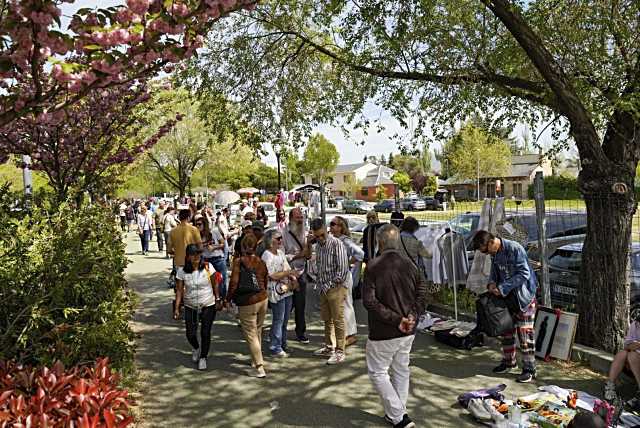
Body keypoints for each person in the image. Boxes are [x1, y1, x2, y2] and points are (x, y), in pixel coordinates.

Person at [363, 224, 426, 428]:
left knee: (378, 372)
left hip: (385, 331)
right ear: (397, 242)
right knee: (400, 369)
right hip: (407, 329)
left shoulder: (373, 266)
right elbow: (422, 292)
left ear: (379, 242)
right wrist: (411, 316)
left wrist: (400, 319)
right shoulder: (410, 264)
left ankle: (398, 415)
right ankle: (397, 413)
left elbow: (369, 301)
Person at [473, 230, 538, 383]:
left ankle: (530, 369)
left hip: (524, 298)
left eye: (485, 250)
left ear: (490, 243)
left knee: (524, 333)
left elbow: (524, 274)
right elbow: (494, 272)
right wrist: (492, 283)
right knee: (506, 330)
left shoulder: (514, 249)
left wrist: (502, 288)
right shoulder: (494, 254)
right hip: (507, 298)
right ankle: (509, 362)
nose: (486, 254)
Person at [226, 234, 269, 378]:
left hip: (247, 301)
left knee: (251, 335)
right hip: (262, 298)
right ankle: (255, 359)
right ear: (256, 247)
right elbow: (265, 279)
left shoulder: (239, 262)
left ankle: (259, 366)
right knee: (258, 331)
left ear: (243, 247)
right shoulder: (261, 261)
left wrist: (228, 299)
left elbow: (233, 283)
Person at [173, 244, 221, 371]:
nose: (197, 257)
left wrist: (217, 298)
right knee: (190, 333)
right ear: (188, 257)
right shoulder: (182, 271)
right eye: (194, 254)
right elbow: (179, 290)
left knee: (205, 332)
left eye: (199, 254)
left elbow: (215, 283)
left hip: (207, 304)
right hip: (191, 306)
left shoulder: (207, 267)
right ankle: (196, 347)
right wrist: (177, 308)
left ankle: (203, 357)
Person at [309, 218, 350, 365]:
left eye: (322, 235)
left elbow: (343, 269)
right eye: (317, 236)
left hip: (336, 287)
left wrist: (330, 285)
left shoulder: (336, 244)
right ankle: (329, 346)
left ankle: (340, 351)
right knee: (327, 319)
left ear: (326, 230)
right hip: (323, 287)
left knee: (338, 319)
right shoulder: (318, 246)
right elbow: (318, 266)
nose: (320, 238)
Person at [262, 230, 298, 358]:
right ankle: (275, 347)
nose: (280, 240)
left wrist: (293, 278)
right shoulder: (267, 255)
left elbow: (287, 268)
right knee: (279, 319)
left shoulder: (281, 253)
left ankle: (282, 343)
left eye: (281, 238)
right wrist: (289, 274)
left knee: (285, 319)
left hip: (286, 289)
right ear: (270, 241)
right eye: (278, 238)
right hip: (276, 291)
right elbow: (271, 275)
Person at [330, 216, 364, 347]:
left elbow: (360, 254)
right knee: (339, 306)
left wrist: (347, 263)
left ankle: (351, 335)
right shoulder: (333, 240)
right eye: (331, 224)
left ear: (340, 227)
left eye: (334, 224)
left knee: (346, 305)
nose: (331, 226)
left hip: (344, 276)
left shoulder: (346, 241)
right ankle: (343, 333)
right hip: (335, 277)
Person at [282, 207, 310, 344]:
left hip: (302, 272)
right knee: (286, 306)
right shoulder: (284, 234)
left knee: (300, 305)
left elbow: (309, 255)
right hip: (288, 274)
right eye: (297, 218)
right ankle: (281, 333)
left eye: (301, 217)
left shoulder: (305, 231)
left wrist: (309, 247)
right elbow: (282, 257)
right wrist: (298, 255)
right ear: (291, 218)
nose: (300, 220)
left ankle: (301, 332)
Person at [604, 305, 640, 406]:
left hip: (635, 358)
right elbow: (627, 345)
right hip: (633, 359)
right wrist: (634, 346)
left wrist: (635, 346)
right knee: (622, 354)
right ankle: (609, 387)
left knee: (632, 356)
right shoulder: (636, 323)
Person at [398, 217, 431, 283]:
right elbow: (428, 255)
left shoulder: (395, 239)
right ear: (414, 228)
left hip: (398, 272)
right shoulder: (416, 243)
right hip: (412, 273)